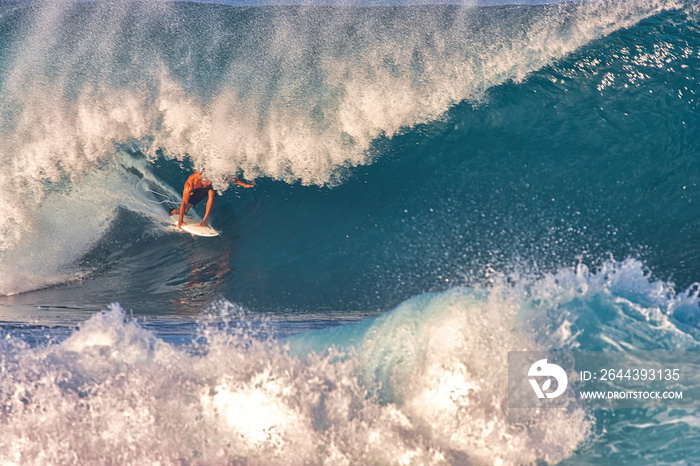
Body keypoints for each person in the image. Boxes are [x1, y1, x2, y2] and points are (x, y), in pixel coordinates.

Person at [172, 171, 255, 228]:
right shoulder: (189, 185)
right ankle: (181, 211)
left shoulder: (208, 175)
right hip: (201, 189)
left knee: (211, 193)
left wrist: (245, 184)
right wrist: (180, 220)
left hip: (212, 187)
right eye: (206, 182)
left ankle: (205, 220)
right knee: (186, 208)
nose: (208, 182)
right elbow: (184, 202)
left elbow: (228, 177)